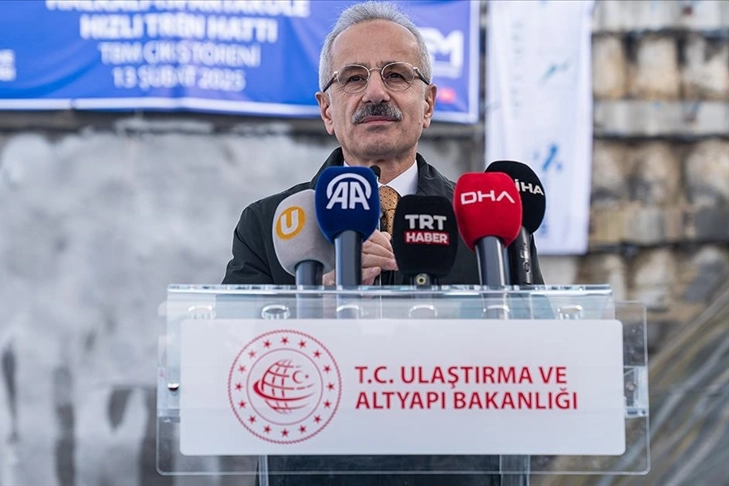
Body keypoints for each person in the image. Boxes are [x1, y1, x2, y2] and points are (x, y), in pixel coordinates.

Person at [222, 2, 543, 484]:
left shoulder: (492, 225)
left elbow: (541, 366)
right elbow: (228, 366)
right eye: (353, 78)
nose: (375, 92)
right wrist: (312, 308)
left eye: (396, 75)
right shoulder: (269, 224)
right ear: (327, 110)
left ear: (428, 104)